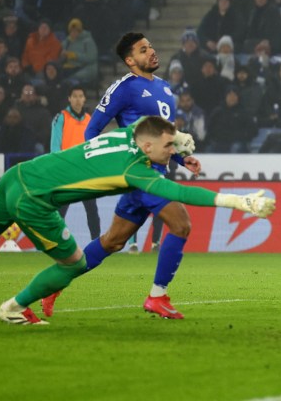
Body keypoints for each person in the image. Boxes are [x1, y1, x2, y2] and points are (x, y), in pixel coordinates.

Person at [0, 116, 276, 325]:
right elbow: (181, 194)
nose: (170, 151)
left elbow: (156, 128)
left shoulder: (129, 135)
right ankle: (14, 306)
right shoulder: (136, 169)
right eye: (167, 147)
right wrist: (238, 201)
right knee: (73, 262)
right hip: (34, 201)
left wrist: (181, 144)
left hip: (19, 177)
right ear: (147, 148)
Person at [41, 33, 196, 321]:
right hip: (140, 174)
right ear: (129, 61)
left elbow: (163, 138)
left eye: (150, 46)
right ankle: (157, 296)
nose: (151, 52)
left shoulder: (164, 88)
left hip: (154, 173)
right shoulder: (123, 88)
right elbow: (92, 131)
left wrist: (180, 157)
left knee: (112, 241)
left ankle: (52, 285)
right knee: (181, 224)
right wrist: (107, 165)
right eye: (142, 49)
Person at [50, 85, 100, 241]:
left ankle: (96, 242)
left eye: (80, 96)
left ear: (84, 99)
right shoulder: (61, 117)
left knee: (92, 209)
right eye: (75, 96)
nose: (78, 100)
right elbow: (55, 145)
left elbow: (93, 145)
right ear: (69, 99)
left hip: (84, 171)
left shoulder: (89, 120)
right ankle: (57, 242)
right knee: (60, 210)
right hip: (66, 171)